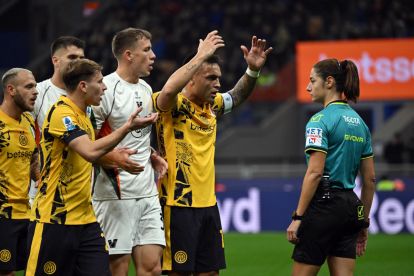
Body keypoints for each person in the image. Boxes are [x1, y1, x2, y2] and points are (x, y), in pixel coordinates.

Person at [152, 30, 272, 275]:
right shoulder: (173, 106)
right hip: (178, 206)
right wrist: (200, 56)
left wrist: (252, 71)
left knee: (211, 272)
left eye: (218, 77)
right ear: (191, 79)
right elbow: (166, 93)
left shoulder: (212, 106)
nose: (218, 84)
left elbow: (236, 96)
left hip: (208, 205)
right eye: (210, 78)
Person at [26, 58, 158, 276]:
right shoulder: (61, 113)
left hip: (86, 219)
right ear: (83, 86)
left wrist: (148, 154)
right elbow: (89, 151)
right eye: (99, 82)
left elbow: (94, 151)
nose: (105, 86)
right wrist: (126, 128)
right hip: (54, 219)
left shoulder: (84, 115)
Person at [286, 59, 376, 276]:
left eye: (312, 80)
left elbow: (315, 173)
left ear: (328, 82)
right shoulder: (361, 124)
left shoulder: (319, 121)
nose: (308, 87)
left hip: (323, 207)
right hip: (349, 207)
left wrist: (298, 218)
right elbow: (370, 179)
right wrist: (362, 222)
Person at [92, 27, 167, 276]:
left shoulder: (146, 89)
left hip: (146, 193)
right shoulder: (106, 90)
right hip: (114, 195)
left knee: (153, 268)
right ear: (128, 55)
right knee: (118, 269)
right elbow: (83, 145)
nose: (153, 55)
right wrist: (113, 158)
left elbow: (139, 138)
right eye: (146, 50)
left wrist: (152, 156)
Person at [30, 36, 85, 203]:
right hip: (44, 191)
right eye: (72, 57)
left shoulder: (90, 95)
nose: (78, 62)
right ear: (56, 60)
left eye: (82, 58)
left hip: (82, 190)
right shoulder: (37, 94)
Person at [0, 68, 38, 276]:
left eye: (35, 86)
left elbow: (32, 159)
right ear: (11, 90)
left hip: (26, 212)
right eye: (29, 86)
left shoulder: (28, 122)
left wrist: (42, 178)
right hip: (2, 214)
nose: (36, 91)